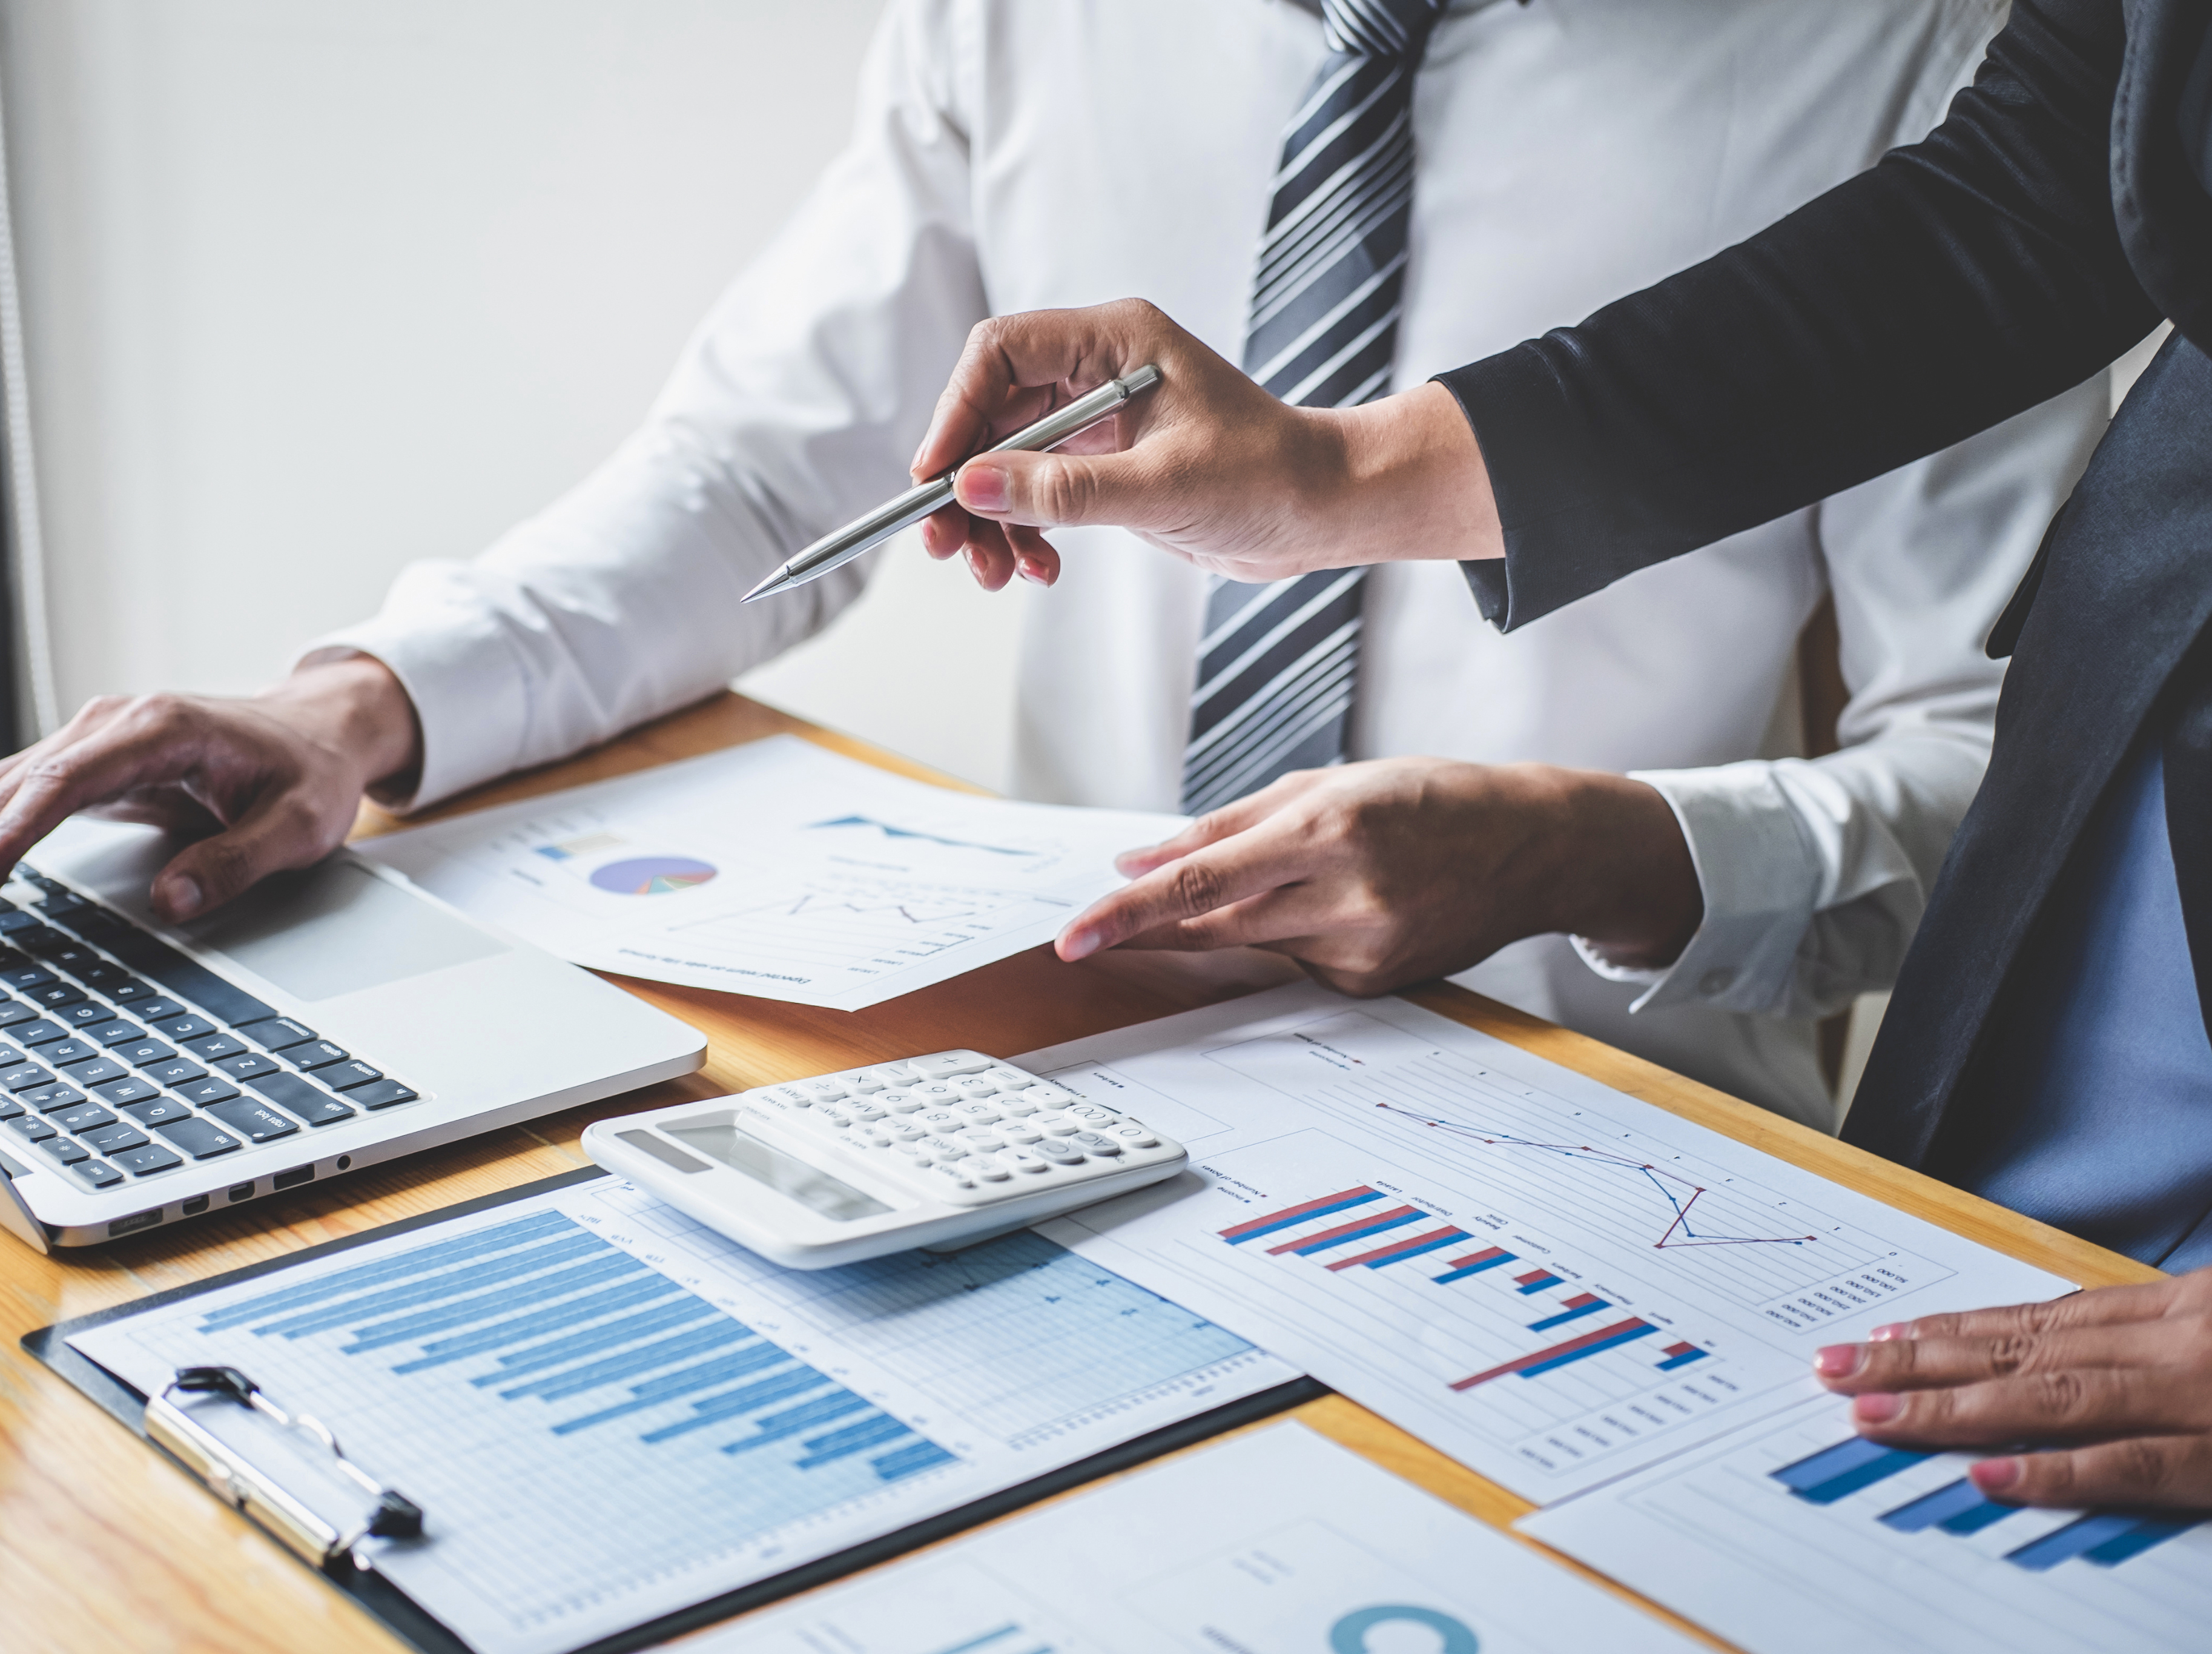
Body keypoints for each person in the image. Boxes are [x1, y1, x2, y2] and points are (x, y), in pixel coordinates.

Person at [0, 0, 2106, 1134]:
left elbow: (2005, 787)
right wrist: (364, 701)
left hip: (1592, 1138)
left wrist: (1589, 855)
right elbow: (772, 473)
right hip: (1036, 1081)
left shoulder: (1945, 67)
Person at [910, 0, 2212, 1511]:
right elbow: (2035, 185)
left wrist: (1583, 849)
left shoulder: (1870, 42)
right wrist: (1333, 476)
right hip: (2111, 903)